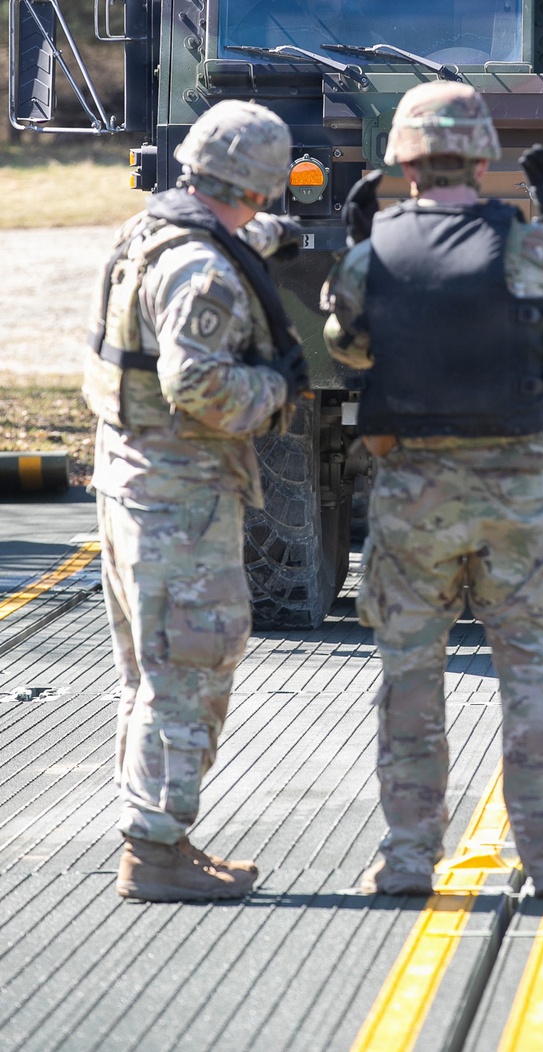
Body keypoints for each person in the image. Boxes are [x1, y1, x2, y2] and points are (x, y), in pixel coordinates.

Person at [321, 81, 543, 898]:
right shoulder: (532, 248)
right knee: (529, 676)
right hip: (514, 495)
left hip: (412, 497)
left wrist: (360, 249)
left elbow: (346, 350)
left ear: (402, 161)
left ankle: (410, 857)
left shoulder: (368, 253)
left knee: (409, 678)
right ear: (482, 157)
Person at [83, 100, 310, 904]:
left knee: (149, 676)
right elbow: (198, 384)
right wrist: (279, 388)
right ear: (262, 179)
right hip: (179, 494)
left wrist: (290, 238)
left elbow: (227, 242)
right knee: (189, 671)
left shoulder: (155, 232)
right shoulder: (203, 272)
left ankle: (163, 835)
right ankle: (154, 852)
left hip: (131, 476)